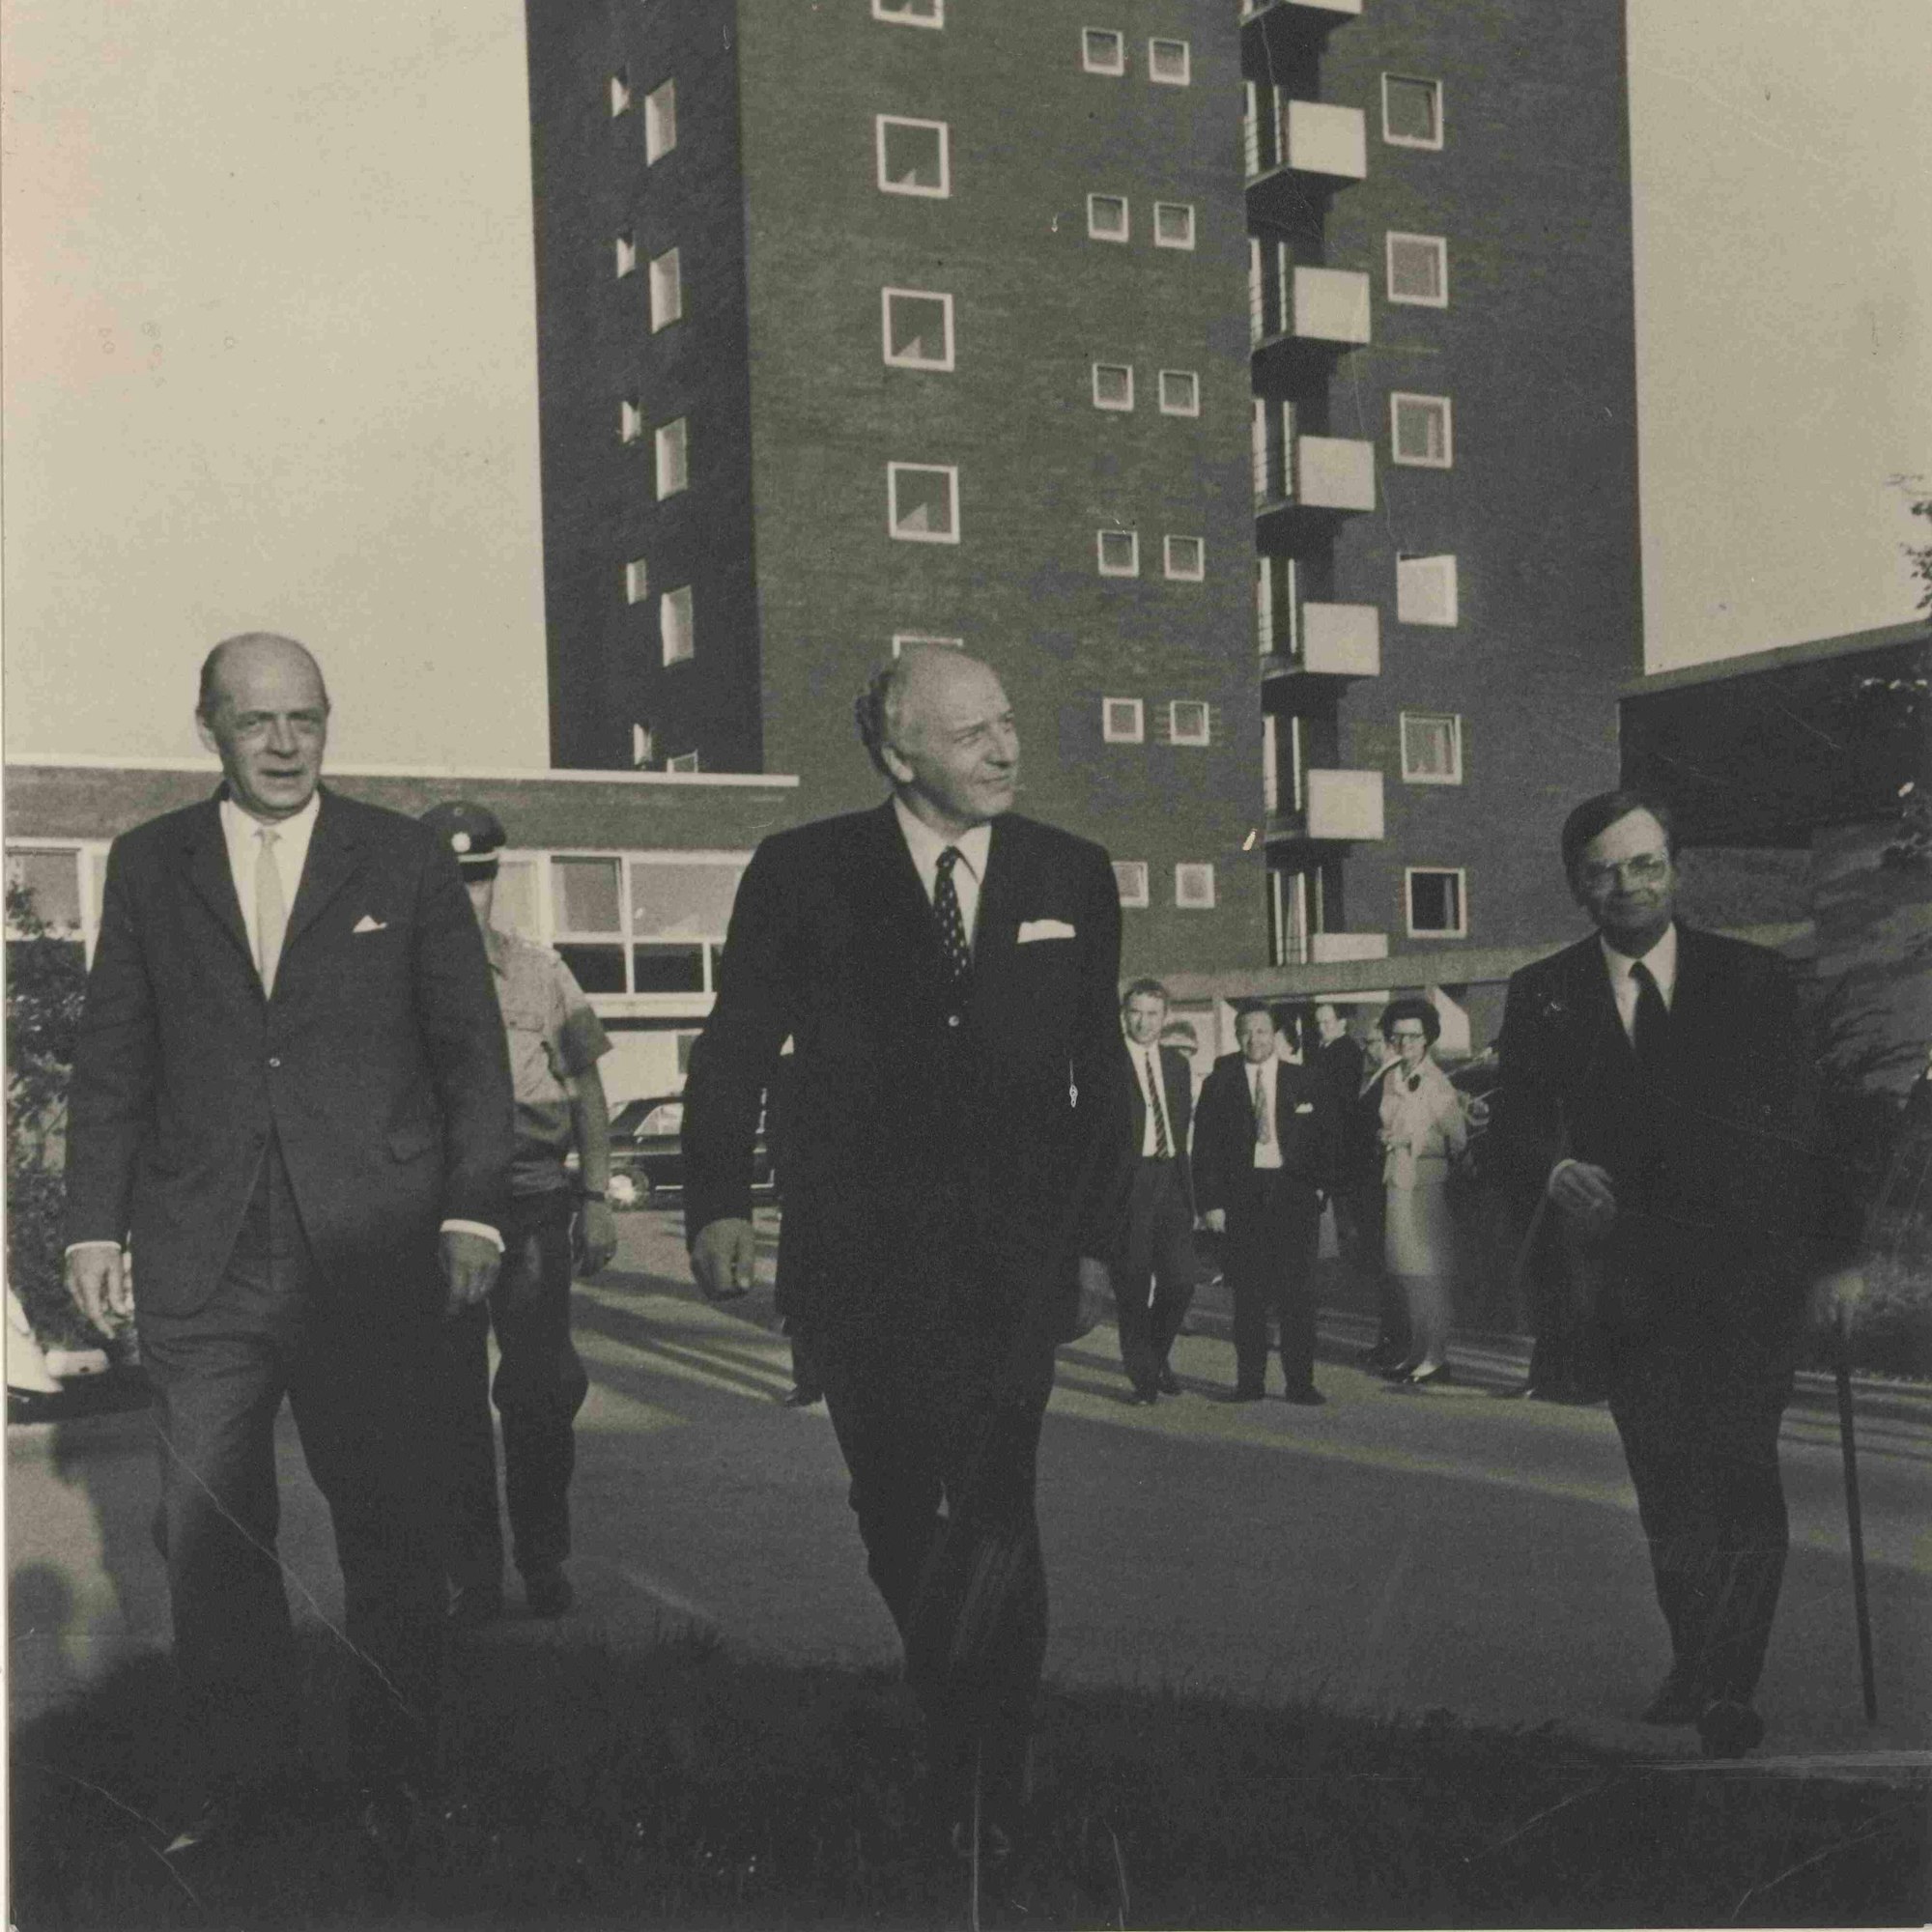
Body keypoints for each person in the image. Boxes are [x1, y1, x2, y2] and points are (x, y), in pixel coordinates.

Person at [62, 635, 513, 1857]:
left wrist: (472, 1209)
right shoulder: (152, 863)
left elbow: (472, 1051)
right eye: (256, 720)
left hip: (370, 1249)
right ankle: (236, 1784)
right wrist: (93, 1221)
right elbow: (115, 1055)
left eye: (305, 718)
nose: (283, 743)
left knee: (389, 1525)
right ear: (206, 723)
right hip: (206, 1246)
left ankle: (396, 1779)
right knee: (206, 1527)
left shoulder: (402, 855)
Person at [680, 645, 1131, 1852]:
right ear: (897, 753)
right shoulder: (802, 872)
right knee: (890, 1508)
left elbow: (1107, 1080)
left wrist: (1095, 1243)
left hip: (1011, 1264)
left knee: (995, 1507)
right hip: (858, 1261)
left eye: (1007, 720)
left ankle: (988, 1764)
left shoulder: (1069, 874)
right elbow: (732, 1046)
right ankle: (957, 1706)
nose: (1005, 748)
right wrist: (716, 1198)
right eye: (971, 730)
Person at [1492, 789, 1863, 1757]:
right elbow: (1512, 1122)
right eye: (1603, 870)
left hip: (1748, 1280)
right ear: (1576, 883)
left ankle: (1724, 1681)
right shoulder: (1544, 990)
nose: (1625, 886)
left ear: (1675, 869)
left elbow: (1811, 1127)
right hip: (1628, 1287)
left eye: (1642, 863)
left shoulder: (1752, 979)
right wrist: (1548, 1168)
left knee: (1740, 1471)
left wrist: (1840, 1258)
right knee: (1664, 1484)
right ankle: (1694, 1657)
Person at [420, 801, 618, 1626]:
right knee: (449, 1402)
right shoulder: (398, 982)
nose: (468, 895)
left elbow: (586, 1091)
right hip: (436, 1216)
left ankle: (542, 1558)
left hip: (535, 1197)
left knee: (541, 1391)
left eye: (480, 878)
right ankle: (474, 1576)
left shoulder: (542, 974)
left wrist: (599, 1198)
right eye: (451, 880)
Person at [1192, 1002, 1340, 1406]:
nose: (1254, 1039)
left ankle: (1300, 1382)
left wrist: (1320, 1188)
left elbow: (1327, 1139)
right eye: (1246, 1032)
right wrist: (1212, 1204)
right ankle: (1250, 1382)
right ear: (1236, 1036)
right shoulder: (1219, 1084)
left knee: (1298, 1296)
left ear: (1274, 1035)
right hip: (1244, 1198)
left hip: (1293, 1196)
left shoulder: (1305, 1080)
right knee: (1249, 1296)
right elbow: (1203, 1150)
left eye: (1261, 1031)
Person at [1373, 998, 1468, 1388]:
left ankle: (1436, 1356)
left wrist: (1409, 1140)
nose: (1405, 1042)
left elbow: (1457, 1139)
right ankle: (1415, 1350)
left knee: (1430, 1274)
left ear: (1427, 1037)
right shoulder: (1391, 1077)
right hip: (1397, 1183)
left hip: (1426, 1186)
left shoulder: (1437, 1083)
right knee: (1407, 1275)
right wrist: (1386, 1138)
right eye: (1398, 1035)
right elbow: (1388, 1123)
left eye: (1413, 1035)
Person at [1114, 979, 1198, 1404]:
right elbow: (1073, 1104)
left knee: (1182, 1281)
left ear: (1165, 1018)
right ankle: (1145, 1381)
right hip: (1127, 1186)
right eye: (1136, 1012)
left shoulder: (1177, 1065)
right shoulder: (1101, 1062)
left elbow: (1181, 1129)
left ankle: (1154, 1353)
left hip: (1171, 1182)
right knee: (1131, 1284)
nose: (1144, 1022)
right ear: (1124, 1014)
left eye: (1152, 1014)